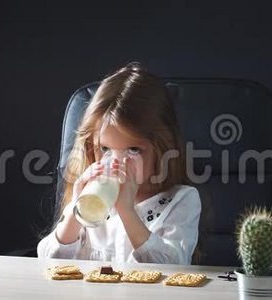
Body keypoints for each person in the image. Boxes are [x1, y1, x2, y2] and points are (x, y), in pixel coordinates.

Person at [37, 62, 201, 264]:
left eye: (133, 150)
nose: (116, 163)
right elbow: (47, 261)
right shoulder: (91, 200)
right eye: (105, 149)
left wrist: (127, 212)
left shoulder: (181, 200)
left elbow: (173, 266)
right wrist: (74, 211)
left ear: (162, 149)